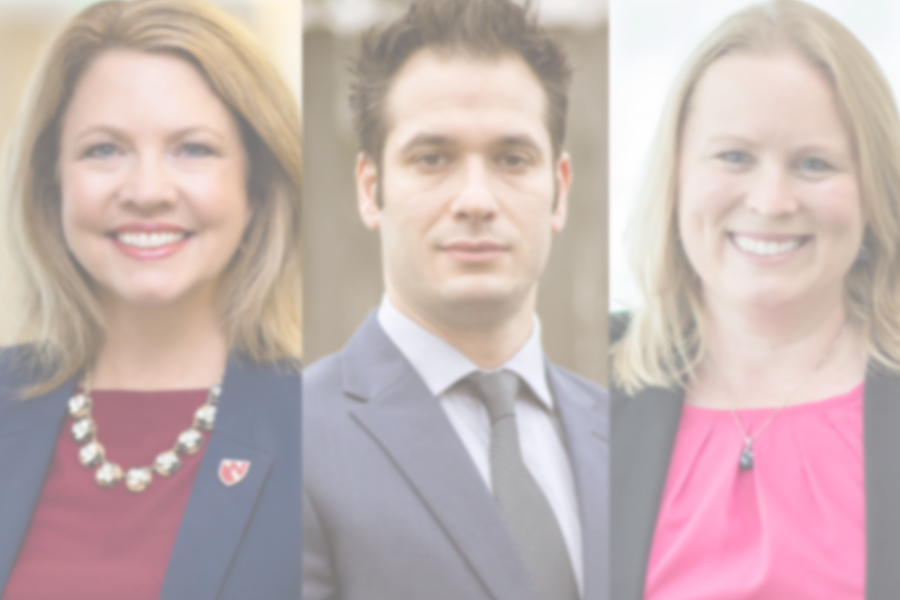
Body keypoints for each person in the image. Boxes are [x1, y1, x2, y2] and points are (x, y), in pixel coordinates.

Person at [302, 0, 608, 599]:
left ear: (559, 190)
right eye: (433, 158)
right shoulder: (288, 438)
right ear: (371, 189)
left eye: (511, 159)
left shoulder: (626, 436)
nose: (475, 199)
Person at [0, 1, 302, 598]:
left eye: (192, 149)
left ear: (257, 187)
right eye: (104, 150)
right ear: (50, 180)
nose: (146, 192)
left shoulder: (325, 432)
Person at [610, 1, 900, 598]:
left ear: (874, 190)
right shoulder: (579, 385)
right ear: (677, 175)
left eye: (814, 163)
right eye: (735, 157)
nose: (771, 201)